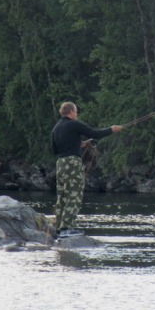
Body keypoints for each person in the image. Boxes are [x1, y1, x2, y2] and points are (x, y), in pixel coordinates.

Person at [51, 101, 122, 239]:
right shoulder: (74, 124)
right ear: (71, 111)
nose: (77, 114)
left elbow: (55, 149)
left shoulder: (56, 128)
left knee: (62, 195)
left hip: (60, 164)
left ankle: (59, 227)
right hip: (72, 163)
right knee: (74, 194)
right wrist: (112, 129)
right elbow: (95, 133)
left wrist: (76, 144)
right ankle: (66, 228)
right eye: (76, 111)